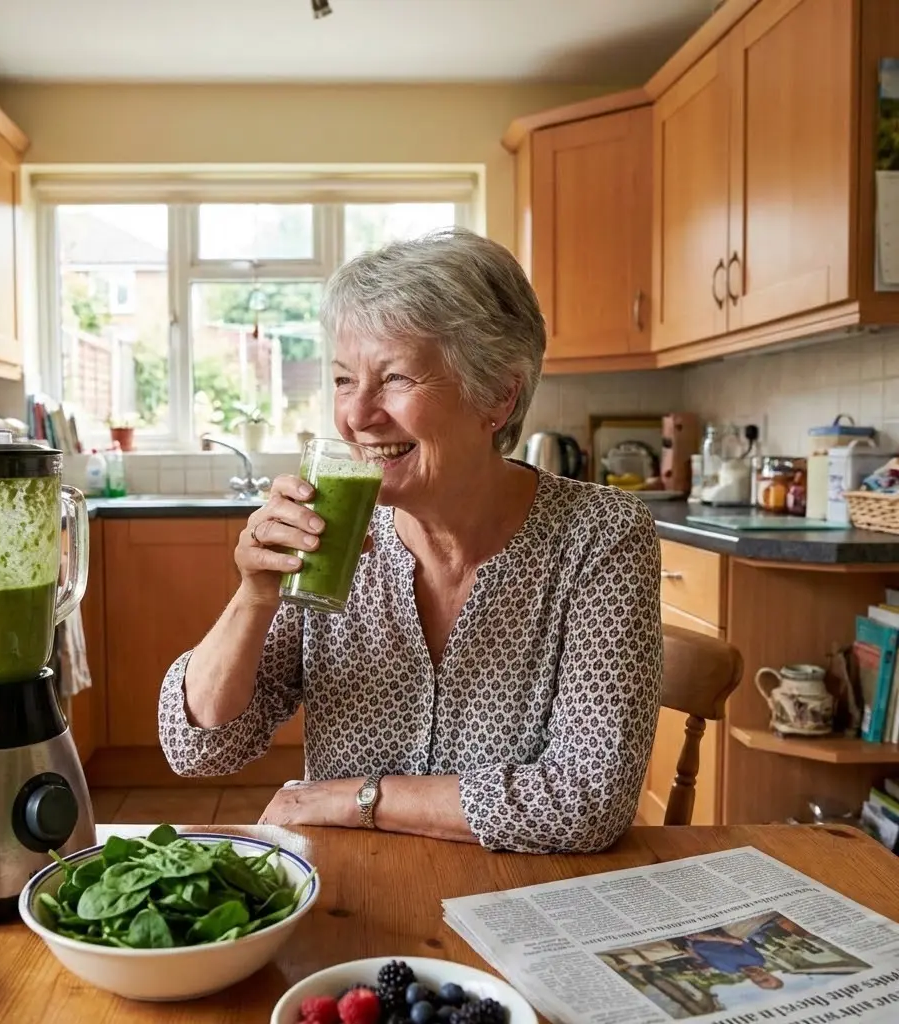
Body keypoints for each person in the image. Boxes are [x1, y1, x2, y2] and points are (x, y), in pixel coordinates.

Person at [158, 226, 663, 854]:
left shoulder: (601, 535)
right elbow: (201, 747)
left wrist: (350, 797)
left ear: (498, 397)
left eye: (395, 379)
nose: (358, 416)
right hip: (358, 894)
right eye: (344, 380)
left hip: (523, 891)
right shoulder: (334, 533)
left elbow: (585, 803)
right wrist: (255, 595)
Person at [683, 929, 784, 991]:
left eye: (759, 982)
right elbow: (739, 942)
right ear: (770, 975)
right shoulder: (758, 960)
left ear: (754, 982)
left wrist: (692, 954)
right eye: (766, 979)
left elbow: (703, 960)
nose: (760, 978)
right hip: (708, 934)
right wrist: (709, 938)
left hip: (688, 944)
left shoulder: (729, 970)